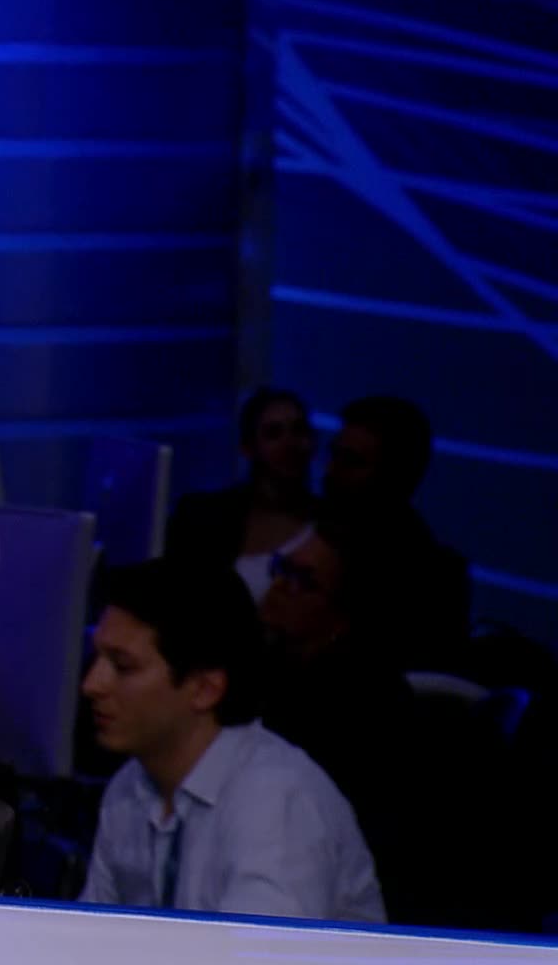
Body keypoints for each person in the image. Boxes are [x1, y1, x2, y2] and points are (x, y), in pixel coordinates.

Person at [79, 558, 384, 923]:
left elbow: (262, 951)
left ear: (205, 689)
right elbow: (90, 940)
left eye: (123, 666)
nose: (92, 685)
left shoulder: (278, 801)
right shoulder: (128, 789)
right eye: (97, 658)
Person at [255, 521, 416, 919]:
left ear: (342, 617)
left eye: (303, 580)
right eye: (282, 567)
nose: (279, 586)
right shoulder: (263, 668)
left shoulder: (364, 706)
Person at [322, 395, 470, 671]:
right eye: (334, 454)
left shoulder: (430, 576)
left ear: (395, 475)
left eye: (352, 461)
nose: (331, 470)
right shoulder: (309, 536)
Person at [164, 387, 317, 601]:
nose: (290, 443)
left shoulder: (331, 527)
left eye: (299, 430)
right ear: (248, 447)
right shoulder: (203, 518)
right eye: (273, 433)